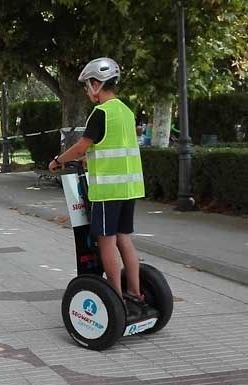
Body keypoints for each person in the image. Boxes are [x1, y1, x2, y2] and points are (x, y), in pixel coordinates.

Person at [48, 57, 145, 308]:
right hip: (129, 188)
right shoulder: (126, 111)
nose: (86, 90)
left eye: (87, 85)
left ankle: (114, 298)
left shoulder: (101, 113)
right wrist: (87, 160)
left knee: (106, 241)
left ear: (96, 84)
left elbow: (82, 146)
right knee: (124, 238)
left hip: (107, 191)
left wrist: (58, 160)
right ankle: (135, 292)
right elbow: (110, 147)